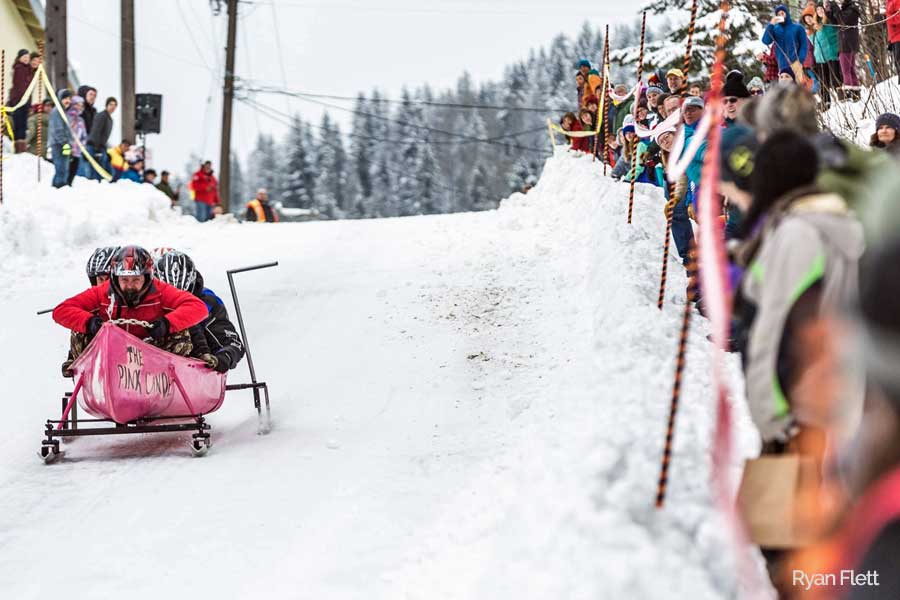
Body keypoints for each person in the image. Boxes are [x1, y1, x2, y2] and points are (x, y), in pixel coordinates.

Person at [732, 130, 864, 445]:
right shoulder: (833, 220)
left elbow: (776, 325)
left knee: (783, 493)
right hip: (829, 406)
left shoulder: (797, 234)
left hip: (803, 415)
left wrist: (772, 417)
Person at [52, 246, 208, 372]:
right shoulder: (103, 292)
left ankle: (169, 381)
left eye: (136, 279)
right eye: (124, 279)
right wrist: (91, 323)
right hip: (109, 357)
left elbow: (198, 307)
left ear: (146, 278)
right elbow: (62, 310)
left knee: (181, 332)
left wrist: (166, 324)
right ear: (116, 277)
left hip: (153, 357)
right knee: (79, 329)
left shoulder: (160, 290)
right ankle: (86, 372)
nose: (130, 285)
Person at [155, 251, 245, 373]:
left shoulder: (208, 302)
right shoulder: (144, 301)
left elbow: (233, 343)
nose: (176, 300)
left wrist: (222, 358)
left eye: (182, 294)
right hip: (148, 371)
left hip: (197, 375)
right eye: (169, 294)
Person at [762, 5, 809, 85]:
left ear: (787, 13)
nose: (781, 15)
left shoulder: (798, 27)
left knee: (796, 88)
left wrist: (799, 61)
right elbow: (766, 41)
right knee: (785, 91)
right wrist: (771, 24)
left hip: (795, 64)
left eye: (782, 13)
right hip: (781, 66)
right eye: (778, 14)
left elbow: (804, 46)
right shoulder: (775, 29)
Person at [826, 0, 861, 89]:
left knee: (845, 70)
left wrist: (834, 5)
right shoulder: (846, 9)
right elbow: (836, 22)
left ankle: (849, 92)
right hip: (845, 43)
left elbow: (842, 20)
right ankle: (855, 91)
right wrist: (829, 11)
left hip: (847, 44)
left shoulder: (852, 9)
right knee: (850, 70)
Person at [6, 49, 33, 153]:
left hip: (25, 100)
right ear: (19, 58)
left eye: (28, 57)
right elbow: (20, 86)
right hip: (19, 100)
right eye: (24, 57)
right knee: (19, 123)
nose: (26, 59)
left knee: (23, 124)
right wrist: (22, 98)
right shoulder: (19, 68)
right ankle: (18, 146)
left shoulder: (28, 69)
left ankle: (21, 145)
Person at [813, 3, 841, 102]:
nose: (820, 11)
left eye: (821, 9)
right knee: (824, 81)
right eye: (818, 10)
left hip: (832, 54)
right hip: (821, 56)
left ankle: (842, 98)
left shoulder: (830, 20)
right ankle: (826, 101)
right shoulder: (816, 24)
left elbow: (835, 36)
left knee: (836, 79)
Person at [86, 97, 117, 180]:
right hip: (94, 146)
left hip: (102, 146)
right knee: (95, 171)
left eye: (114, 105)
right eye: (111, 104)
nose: (112, 107)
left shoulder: (109, 119)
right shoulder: (101, 116)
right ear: (106, 105)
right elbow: (96, 131)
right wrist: (97, 148)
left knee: (104, 170)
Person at [48, 89, 73, 188]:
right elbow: (58, 129)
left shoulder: (64, 111)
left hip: (65, 144)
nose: (68, 101)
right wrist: (65, 142)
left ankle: (57, 188)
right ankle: (58, 188)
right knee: (61, 168)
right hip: (58, 144)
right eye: (65, 98)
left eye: (69, 98)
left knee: (64, 168)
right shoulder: (57, 111)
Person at [66, 95, 88, 184]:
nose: (80, 107)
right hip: (67, 150)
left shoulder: (81, 120)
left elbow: (84, 135)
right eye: (78, 104)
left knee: (73, 173)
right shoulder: (66, 117)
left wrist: (82, 144)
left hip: (77, 152)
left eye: (81, 105)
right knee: (65, 172)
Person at [889, 0, 900, 83]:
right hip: (893, 38)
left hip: (898, 36)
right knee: (897, 63)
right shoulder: (889, 2)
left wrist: (890, 19)